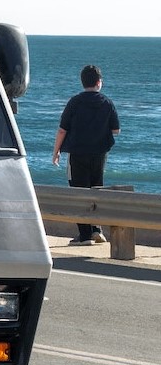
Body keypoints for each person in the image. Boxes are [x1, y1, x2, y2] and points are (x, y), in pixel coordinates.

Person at [52, 64, 120, 246]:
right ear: (99, 82)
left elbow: (62, 130)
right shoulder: (107, 102)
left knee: (78, 191)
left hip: (77, 153)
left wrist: (56, 152)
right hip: (99, 154)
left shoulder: (75, 102)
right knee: (96, 189)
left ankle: (84, 235)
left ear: (83, 82)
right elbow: (116, 129)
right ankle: (97, 229)